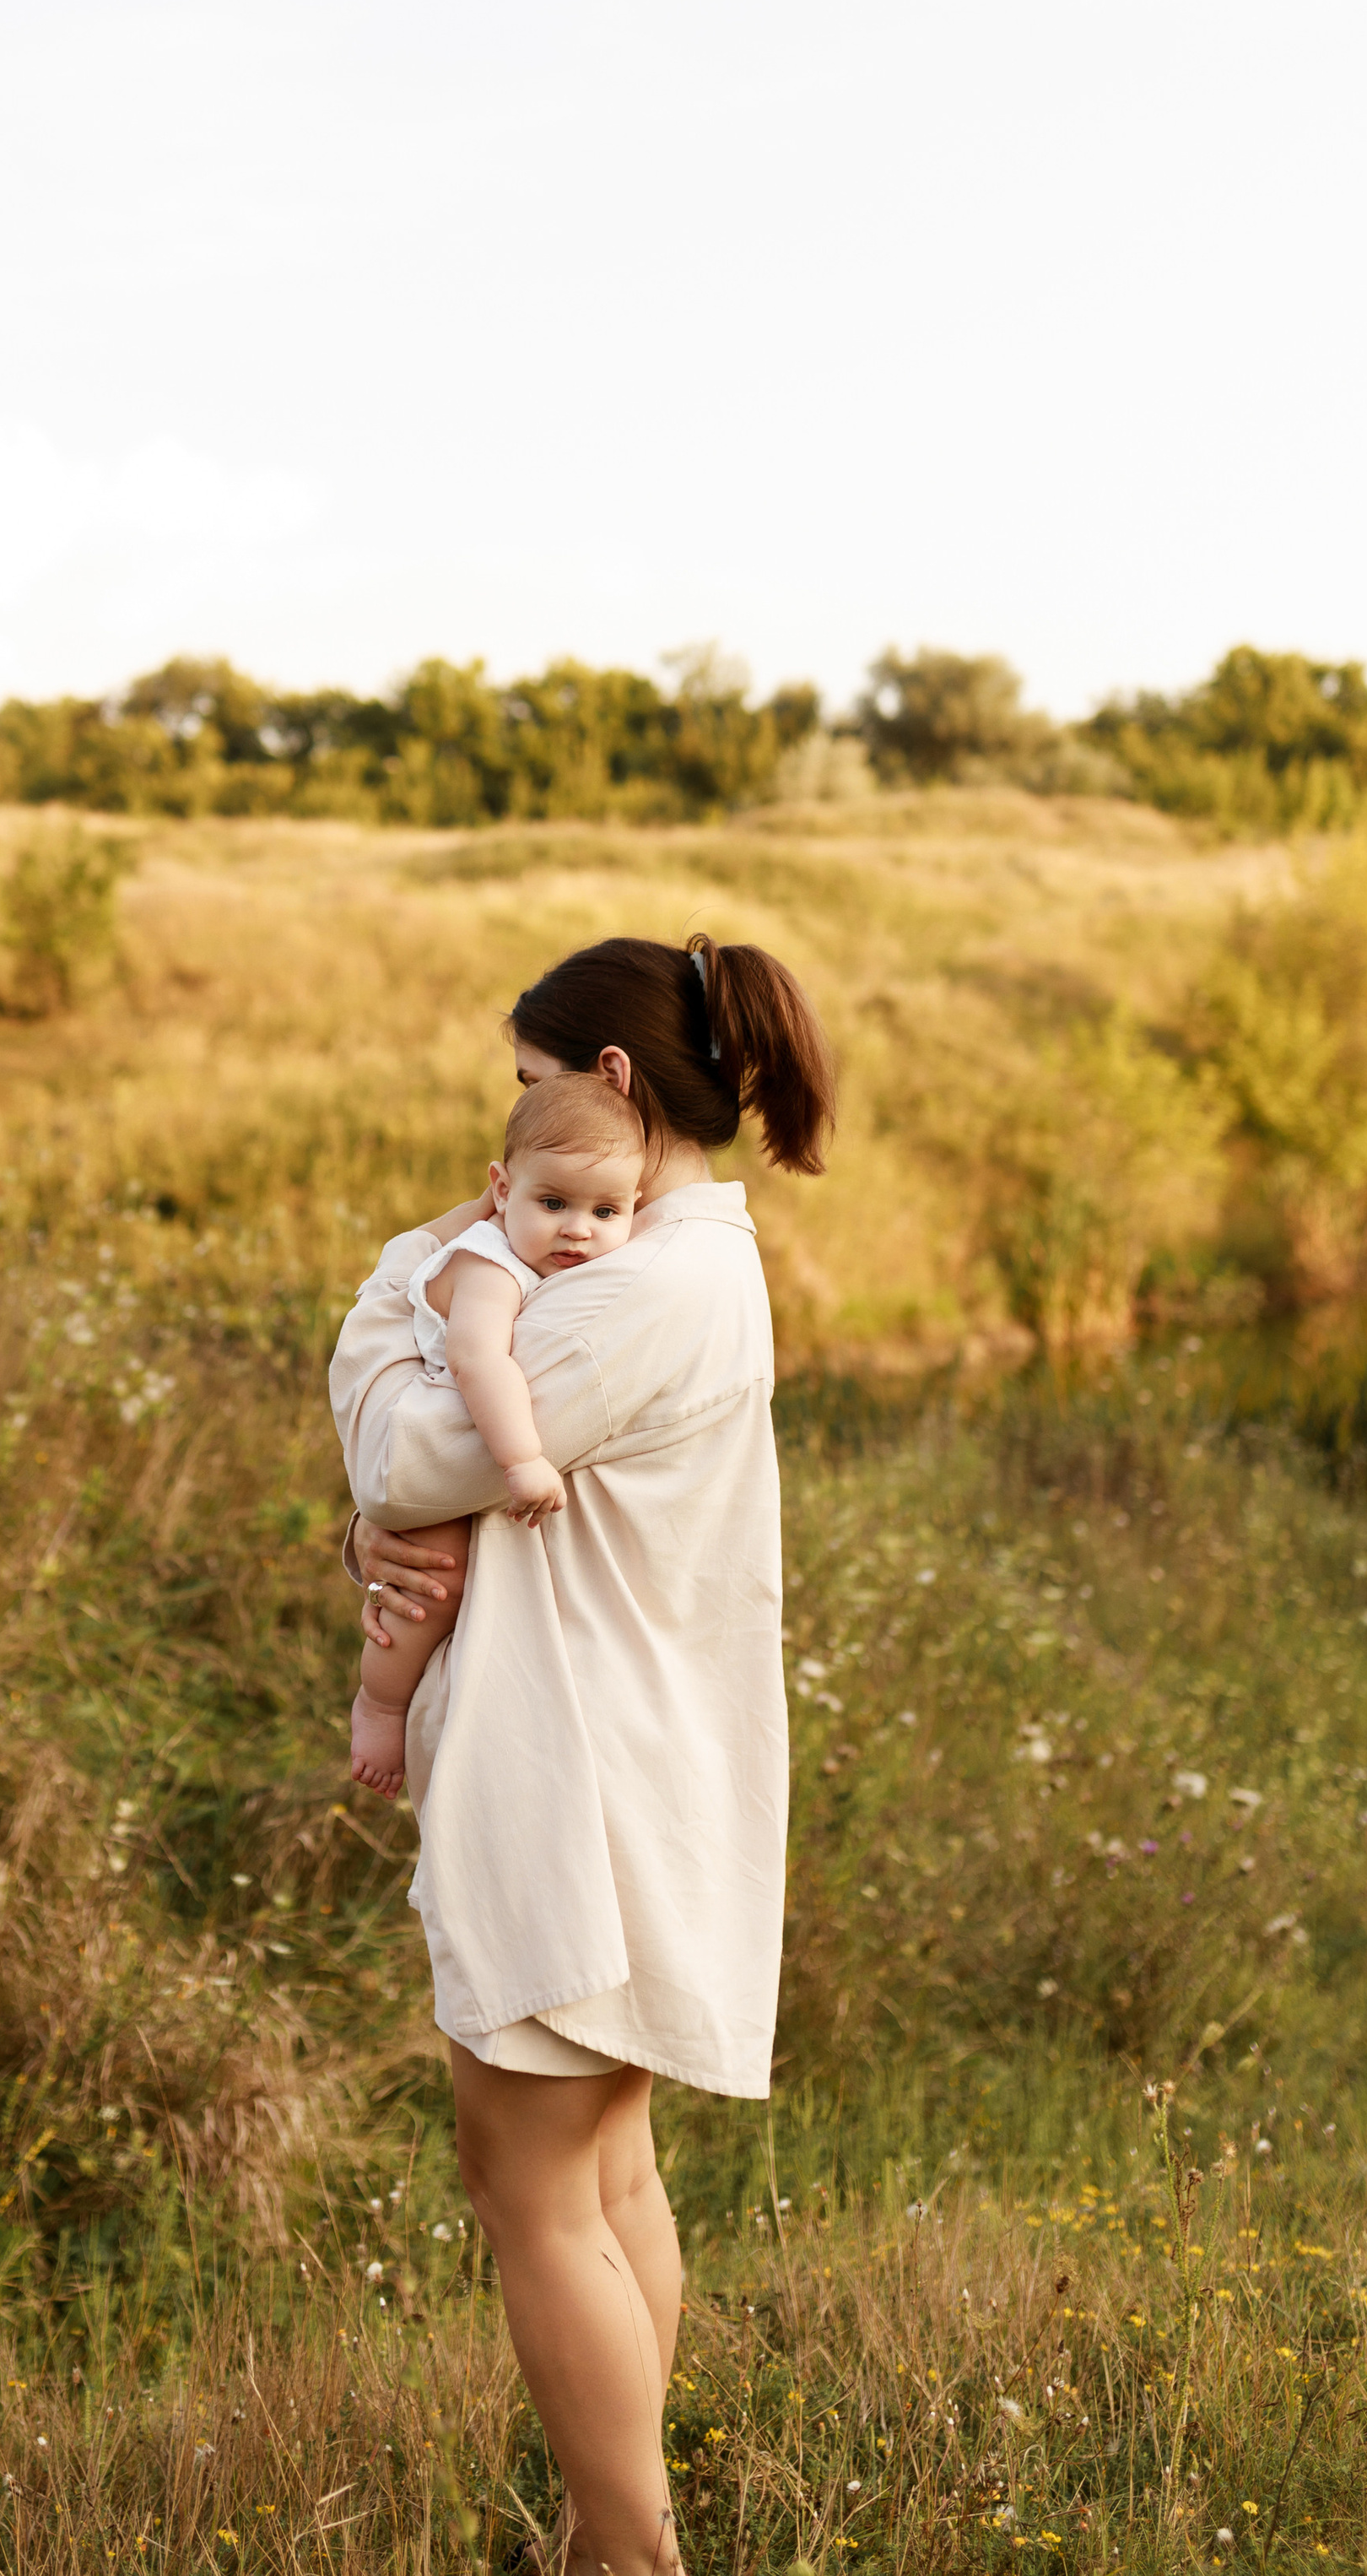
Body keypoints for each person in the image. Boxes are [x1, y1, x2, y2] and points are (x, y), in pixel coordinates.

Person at [327, 929, 835, 2576]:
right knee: (603, 2172)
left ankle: (630, 2561)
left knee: (524, 2187)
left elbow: (410, 1453)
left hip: (575, 1781)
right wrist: (380, 1522)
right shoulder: (664, 1265)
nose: (514, 1135)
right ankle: (602, 2544)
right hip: (623, 1762)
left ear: (607, 1083)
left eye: (528, 1090)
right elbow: (445, 1480)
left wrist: (396, 1288)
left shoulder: (636, 1285)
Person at [349, 1071, 645, 1797]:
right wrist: (522, 1460)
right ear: (502, 1190)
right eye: (554, 1203)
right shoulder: (492, 1265)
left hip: (453, 1435)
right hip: (442, 1418)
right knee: (434, 1582)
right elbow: (478, 1358)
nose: (577, 1228)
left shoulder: (569, 1262)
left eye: (606, 1211)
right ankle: (380, 1703)